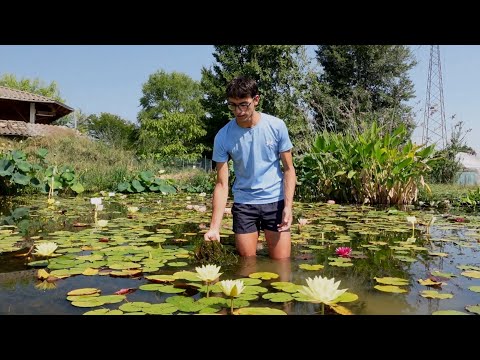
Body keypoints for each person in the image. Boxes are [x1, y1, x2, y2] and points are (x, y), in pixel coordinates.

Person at [203, 76, 296, 260]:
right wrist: (214, 227)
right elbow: (222, 185)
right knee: (247, 264)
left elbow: (289, 169)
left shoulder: (276, 126)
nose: (238, 111)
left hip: (275, 202)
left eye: (243, 104)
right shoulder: (223, 136)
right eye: (233, 105)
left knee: (282, 264)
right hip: (244, 204)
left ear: (256, 100)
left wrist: (288, 206)